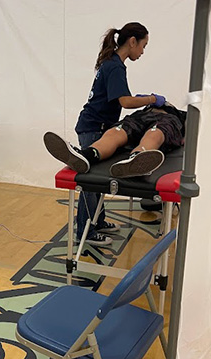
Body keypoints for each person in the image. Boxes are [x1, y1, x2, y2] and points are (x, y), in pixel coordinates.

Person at [45, 22, 166, 246]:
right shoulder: (116, 66)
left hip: (96, 124)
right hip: (94, 127)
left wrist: (139, 98)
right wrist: (150, 99)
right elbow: (126, 102)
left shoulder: (111, 63)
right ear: (132, 42)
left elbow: (120, 98)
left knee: (98, 181)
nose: (142, 52)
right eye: (143, 46)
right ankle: (85, 233)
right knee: (90, 185)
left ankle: (97, 221)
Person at [44, 102, 186, 177]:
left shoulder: (180, 114)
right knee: (116, 132)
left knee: (155, 133)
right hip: (140, 117)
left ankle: (136, 159)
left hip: (168, 120)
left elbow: (195, 127)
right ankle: (86, 155)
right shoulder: (147, 108)